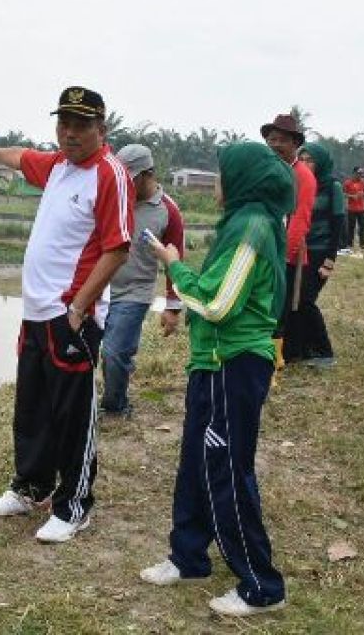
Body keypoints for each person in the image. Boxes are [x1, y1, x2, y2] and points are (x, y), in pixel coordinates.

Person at [0, 86, 133, 544]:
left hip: (71, 315)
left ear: (102, 128)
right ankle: (30, 487)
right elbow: (21, 155)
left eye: (82, 125)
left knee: (73, 414)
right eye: (64, 123)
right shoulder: (58, 166)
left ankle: (74, 506)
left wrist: (80, 306)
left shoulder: (110, 174)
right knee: (33, 406)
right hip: (36, 313)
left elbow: (117, 249)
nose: (71, 133)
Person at [138, 141, 292, 617]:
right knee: (196, 462)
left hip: (235, 364)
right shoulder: (241, 222)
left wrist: (172, 263)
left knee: (226, 467)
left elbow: (217, 304)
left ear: (243, 180)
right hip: (211, 362)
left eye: (223, 175)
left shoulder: (251, 227)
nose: (217, 184)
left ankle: (262, 587)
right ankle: (188, 557)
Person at [99, 143, 185, 417]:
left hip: (136, 290)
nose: (124, 184)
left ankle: (115, 406)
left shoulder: (168, 211)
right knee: (105, 352)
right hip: (100, 288)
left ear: (148, 174)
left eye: (130, 179)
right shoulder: (112, 198)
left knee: (113, 353)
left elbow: (174, 259)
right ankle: (123, 365)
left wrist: (172, 307)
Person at [261, 113, 316, 369]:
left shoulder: (302, 175)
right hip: (263, 249)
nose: (275, 145)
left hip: (285, 254)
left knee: (278, 309)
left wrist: (283, 255)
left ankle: (274, 361)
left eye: (281, 140)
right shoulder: (270, 169)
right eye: (271, 139)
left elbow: (300, 219)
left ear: (295, 144)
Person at [284, 143, 344, 367]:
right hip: (299, 250)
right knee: (293, 301)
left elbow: (338, 225)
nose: (306, 164)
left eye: (311, 160)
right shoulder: (299, 184)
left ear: (321, 163)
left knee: (306, 300)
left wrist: (329, 261)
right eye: (303, 159)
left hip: (320, 252)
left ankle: (324, 351)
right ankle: (297, 350)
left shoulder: (332, 187)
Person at [342, 167, 364, 256]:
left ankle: (362, 244)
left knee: (363, 226)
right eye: (359, 173)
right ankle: (349, 244)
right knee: (351, 227)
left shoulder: (363, 182)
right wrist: (351, 196)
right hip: (351, 208)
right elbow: (343, 193)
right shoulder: (347, 183)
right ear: (354, 173)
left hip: (362, 208)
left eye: (362, 173)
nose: (361, 175)